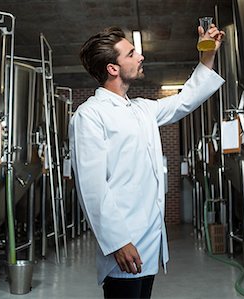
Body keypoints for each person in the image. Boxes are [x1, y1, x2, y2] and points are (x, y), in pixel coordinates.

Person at [69, 23, 225, 299]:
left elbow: (185, 100)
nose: (140, 57)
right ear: (112, 68)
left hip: (150, 241)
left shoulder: (142, 109)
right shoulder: (90, 115)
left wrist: (207, 55)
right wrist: (117, 242)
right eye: (131, 54)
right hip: (123, 245)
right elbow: (92, 188)